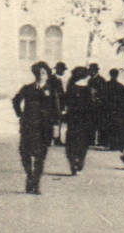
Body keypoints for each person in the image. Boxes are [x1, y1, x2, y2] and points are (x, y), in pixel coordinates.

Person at [13, 61, 58, 194]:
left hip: (44, 128)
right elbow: (16, 100)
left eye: (43, 73)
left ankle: (36, 183)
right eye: (38, 73)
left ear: (47, 75)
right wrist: (20, 115)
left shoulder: (51, 91)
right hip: (28, 126)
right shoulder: (27, 88)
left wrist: (55, 126)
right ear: (34, 74)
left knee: (40, 156)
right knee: (24, 153)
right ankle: (29, 175)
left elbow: (56, 109)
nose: (41, 75)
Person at [62, 66, 96, 175]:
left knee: (71, 142)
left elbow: (66, 104)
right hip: (85, 121)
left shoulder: (70, 88)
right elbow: (92, 106)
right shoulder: (88, 90)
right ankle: (79, 162)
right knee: (83, 143)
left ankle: (73, 163)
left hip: (73, 120)